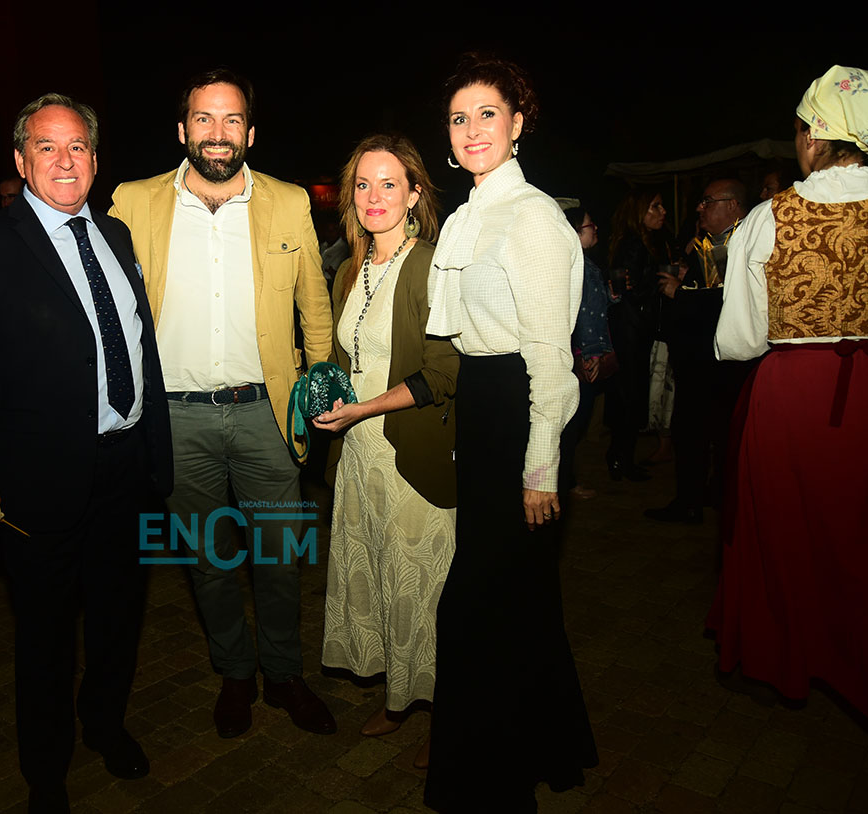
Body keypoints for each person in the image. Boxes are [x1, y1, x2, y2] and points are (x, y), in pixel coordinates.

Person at [0, 93, 172, 814]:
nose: (65, 161)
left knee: (118, 618)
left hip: (125, 470)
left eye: (78, 147)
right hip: (36, 480)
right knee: (44, 638)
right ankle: (46, 771)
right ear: (21, 159)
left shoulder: (116, 236)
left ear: (95, 158)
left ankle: (105, 725)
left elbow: (135, 345)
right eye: (47, 147)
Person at [109, 68, 335, 740]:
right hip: (175, 420)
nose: (217, 132)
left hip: (267, 416)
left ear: (250, 133)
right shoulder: (132, 201)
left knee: (279, 557)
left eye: (231, 119)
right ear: (182, 129)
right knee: (207, 562)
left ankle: (284, 673)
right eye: (204, 119)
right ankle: (235, 672)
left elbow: (314, 306)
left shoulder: (288, 201)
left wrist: (319, 386)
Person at [423, 54, 598, 812]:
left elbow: (550, 358)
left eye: (487, 114)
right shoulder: (468, 215)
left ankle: (493, 781)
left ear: (518, 123)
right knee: (519, 598)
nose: (472, 130)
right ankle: (544, 746)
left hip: (520, 412)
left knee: (476, 605)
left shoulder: (532, 217)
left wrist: (541, 469)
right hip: (483, 408)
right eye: (458, 118)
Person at [709, 65, 868, 724]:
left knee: (785, 532)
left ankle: (787, 655)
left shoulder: (767, 218)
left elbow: (739, 340)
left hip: (789, 395)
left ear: (813, 137)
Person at [312, 134, 456, 769]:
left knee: (424, 592)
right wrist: (321, 393)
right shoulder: (350, 269)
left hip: (410, 455)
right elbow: (344, 357)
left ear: (414, 193)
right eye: (363, 185)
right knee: (379, 580)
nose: (375, 197)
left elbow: (443, 373)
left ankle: (447, 717)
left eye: (389, 183)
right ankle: (400, 699)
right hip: (358, 457)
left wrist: (362, 409)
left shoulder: (432, 265)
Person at [646, 179, 749, 524]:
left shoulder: (745, 242)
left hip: (725, 359)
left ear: (732, 205)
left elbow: (731, 301)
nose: (699, 208)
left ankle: (702, 499)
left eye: (707, 201)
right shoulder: (703, 244)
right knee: (696, 431)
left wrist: (681, 293)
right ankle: (700, 496)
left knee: (711, 431)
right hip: (698, 357)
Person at [605, 187, 675, 480]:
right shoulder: (634, 244)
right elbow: (627, 291)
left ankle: (621, 458)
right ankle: (621, 460)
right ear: (639, 212)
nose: (663, 212)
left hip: (632, 328)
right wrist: (661, 283)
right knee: (630, 395)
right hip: (631, 331)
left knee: (628, 394)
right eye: (655, 206)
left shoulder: (642, 241)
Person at [558, 204, 614, 500]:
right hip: (582, 357)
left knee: (574, 425)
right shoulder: (575, 267)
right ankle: (562, 484)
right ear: (576, 231)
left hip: (583, 354)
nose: (596, 230)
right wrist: (588, 354)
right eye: (591, 225)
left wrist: (611, 296)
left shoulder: (584, 264)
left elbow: (592, 308)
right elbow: (577, 316)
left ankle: (565, 481)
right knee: (572, 426)